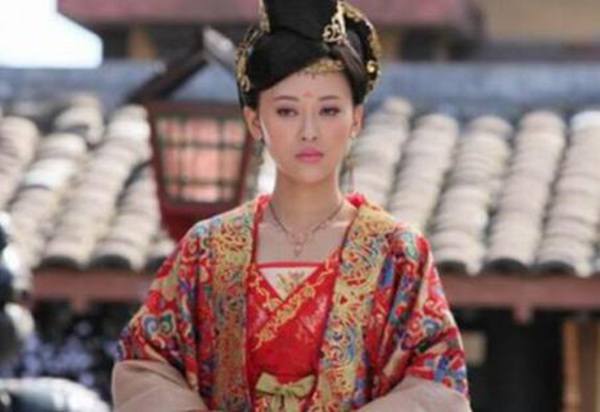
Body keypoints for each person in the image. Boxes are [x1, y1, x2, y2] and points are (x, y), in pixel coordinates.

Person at [112, 0, 471, 410]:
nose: (309, 131)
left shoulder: (396, 253)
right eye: (286, 111)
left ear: (356, 119)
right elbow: (145, 361)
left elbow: (438, 380)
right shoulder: (207, 249)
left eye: (329, 110)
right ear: (255, 121)